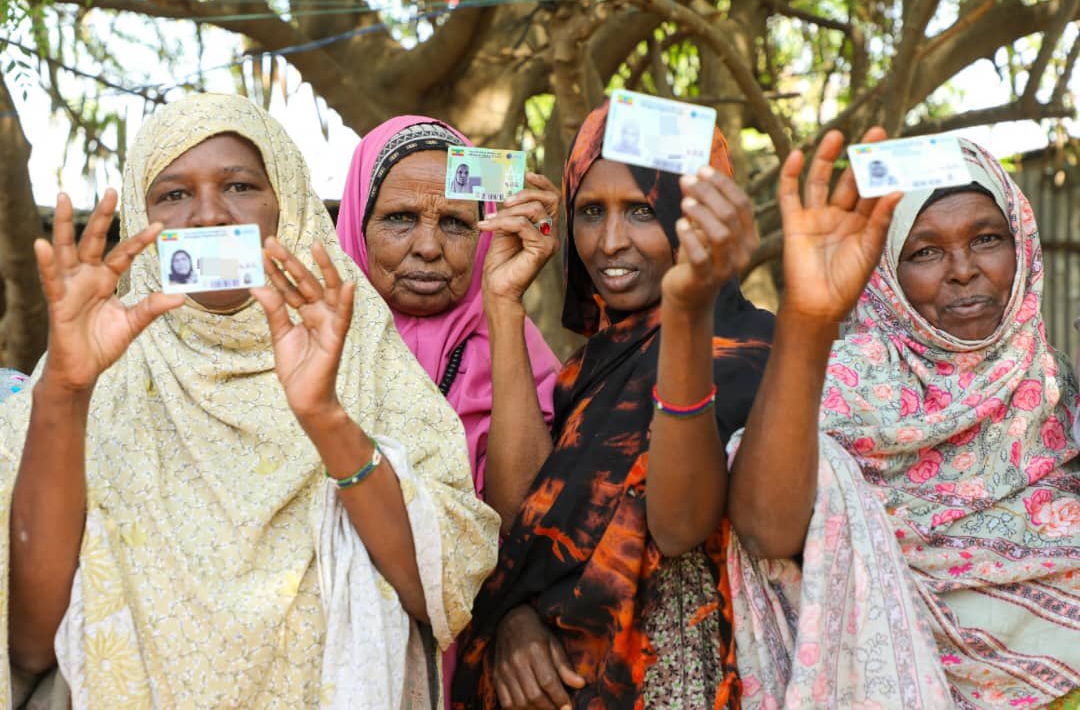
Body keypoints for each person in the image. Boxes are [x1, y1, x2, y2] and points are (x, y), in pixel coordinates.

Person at [1, 93, 499, 709]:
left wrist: (324, 416)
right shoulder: (91, 372)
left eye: (239, 186)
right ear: (140, 214)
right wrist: (67, 396)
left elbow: (441, 591)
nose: (210, 216)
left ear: (285, 204)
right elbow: (25, 647)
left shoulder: (361, 349)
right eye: (173, 195)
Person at [725, 133, 1080, 708]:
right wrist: (808, 318)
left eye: (987, 239)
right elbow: (765, 529)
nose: (964, 270)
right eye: (925, 251)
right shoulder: (834, 386)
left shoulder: (1057, 390)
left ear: (1023, 246)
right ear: (886, 272)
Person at [451, 101, 773, 710]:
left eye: (643, 211)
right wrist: (503, 303)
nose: (610, 243)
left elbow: (680, 529)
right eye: (591, 212)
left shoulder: (756, 354)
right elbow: (523, 533)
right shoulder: (586, 373)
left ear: (698, 215)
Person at [335, 115, 561, 706]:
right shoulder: (307, 341)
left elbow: (522, 523)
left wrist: (503, 306)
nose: (429, 247)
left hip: (468, 661)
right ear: (357, 222)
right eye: (400, 219)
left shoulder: (511, 349)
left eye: (457, 224)